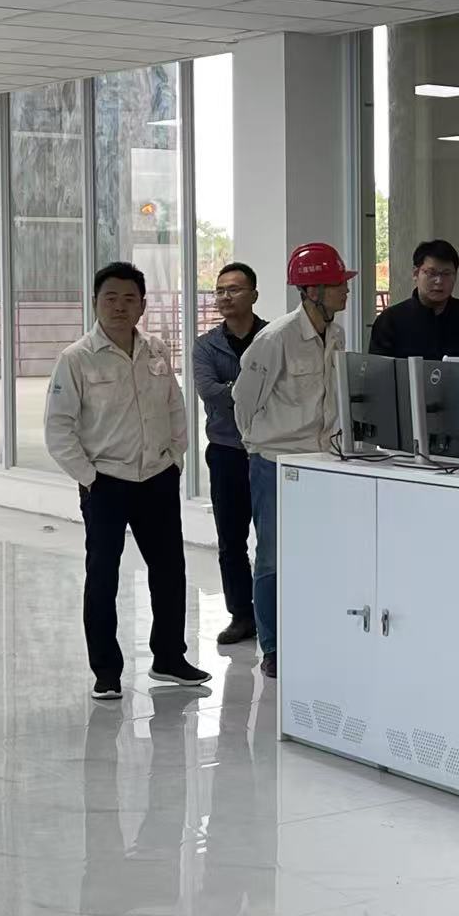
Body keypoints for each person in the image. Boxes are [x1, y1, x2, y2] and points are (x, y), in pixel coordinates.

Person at [45, 261, 211, 700]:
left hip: (156, 477)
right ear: (95, 302)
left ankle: (169, 658)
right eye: (110, 298)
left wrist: (175, 458)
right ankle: (106, 671)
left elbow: (175, 406)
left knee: (170, 570)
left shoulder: (155, 350)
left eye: (129, 299)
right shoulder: (76, 358)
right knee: (103, 576)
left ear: (142, 305)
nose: (120, 306)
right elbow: (58, 428)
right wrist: (89, 477)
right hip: (106, 481)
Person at [233, 242, 356, 681]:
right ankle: (273, 647)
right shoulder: (276, 339)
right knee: (272, 557)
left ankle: (310, 635)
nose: (346, 291)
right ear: (312, 291)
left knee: (317, 554)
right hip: (276, 463)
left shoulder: (336, 334)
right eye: (338, 284)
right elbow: (243, 400)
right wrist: (258, 445)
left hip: (321, 461)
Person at [192, 261, 265, 649]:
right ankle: (241, 614)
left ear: (254, 294)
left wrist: (234, 387)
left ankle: (272, 611)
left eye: (234, 289)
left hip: (268, 451)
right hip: (226, 451)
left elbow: (282, 391)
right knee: (231, 541)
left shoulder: (272, 338)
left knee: (272, 539)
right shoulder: (206, 345)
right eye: (219, 290)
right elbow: (210, 393)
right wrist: (251, 390)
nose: (224, 296)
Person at [368, 238, 459, 362]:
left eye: (446, 274)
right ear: (415, 273)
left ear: (455, 275)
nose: (439, 281)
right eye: (431, 273)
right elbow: (379, 371)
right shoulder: (390, 321)